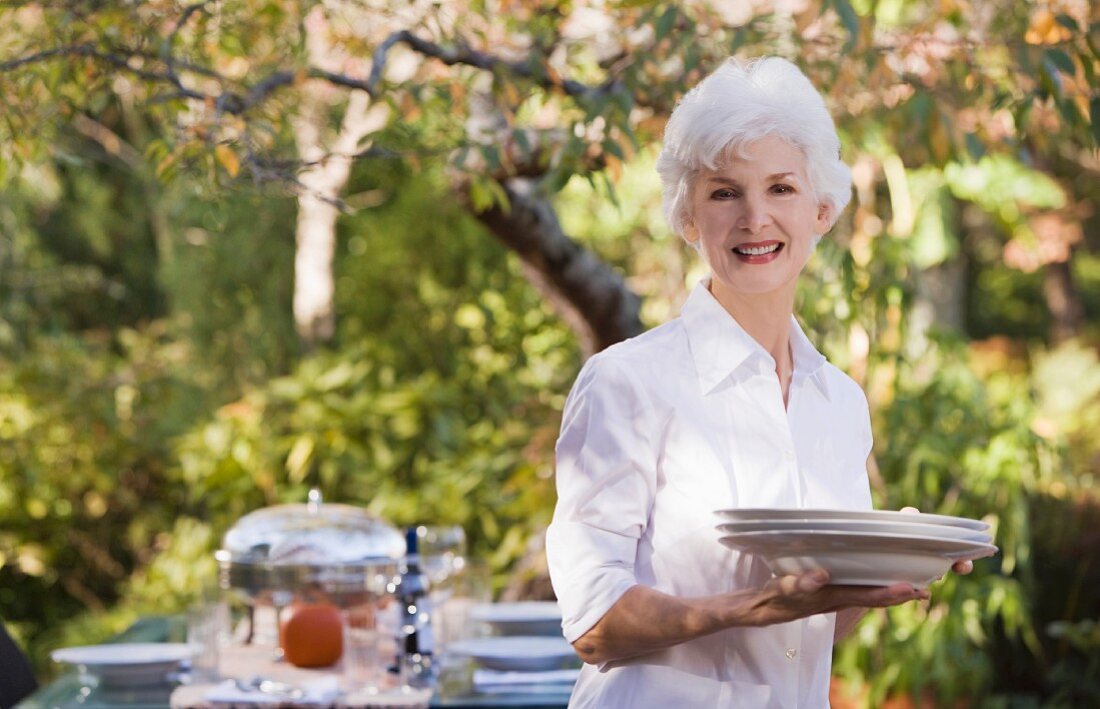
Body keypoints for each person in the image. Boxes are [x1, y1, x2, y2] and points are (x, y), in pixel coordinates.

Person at [545, 56, 973, 708]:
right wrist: (746, 605)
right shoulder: (626, 382)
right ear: (688, 218)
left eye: (781, 188)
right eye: (724, 192)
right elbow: (592, 624)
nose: (755, 218)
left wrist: (892, 566)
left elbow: (813, 632)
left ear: (822, 210)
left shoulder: (840, 403)